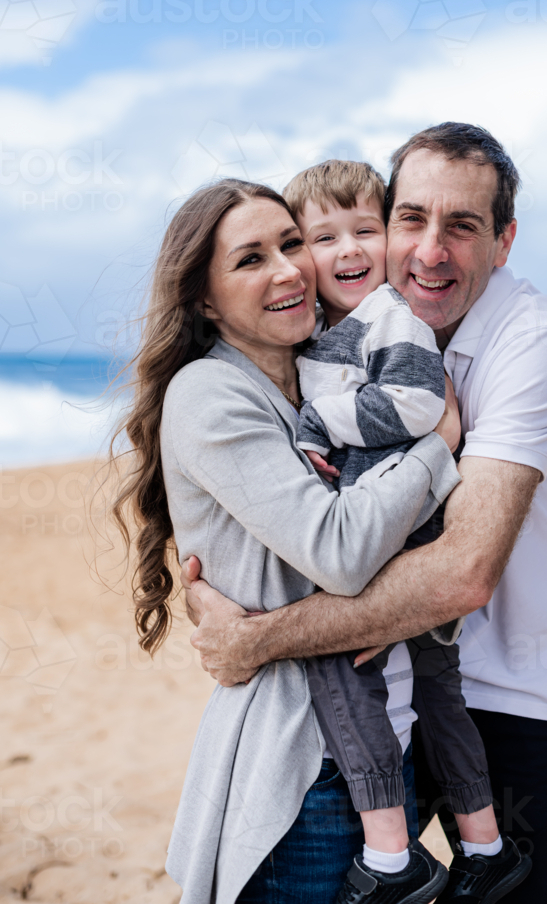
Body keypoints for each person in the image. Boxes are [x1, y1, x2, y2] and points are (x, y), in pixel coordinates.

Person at [182, 123, 547, 904]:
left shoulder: (526, 339)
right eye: (410, 219)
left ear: (504, 241)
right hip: (408, 691)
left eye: (463, 227)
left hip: (515, 694)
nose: (429, 251)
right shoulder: (344, 335)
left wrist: (254, 640)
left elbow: (463, 574)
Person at [110, 177, 462, 903]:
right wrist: (439, 445)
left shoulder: (315, 385)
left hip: (378, 743)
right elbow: (339, 551)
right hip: (308, 770)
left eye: (291, 243)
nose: (289, 269)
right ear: (204, 299)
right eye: (249, 259)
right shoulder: (212, 393)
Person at [281, 159, 530, 904]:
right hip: (401, 521)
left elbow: (420, 406)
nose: (349, 249)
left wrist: (318, 421)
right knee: (435, 688)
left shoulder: (388, 316)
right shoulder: (342, 327)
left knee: (338, 667)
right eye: (324, 237)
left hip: (407, 530)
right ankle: (482, 844)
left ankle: (392, 859)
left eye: (365, 228)